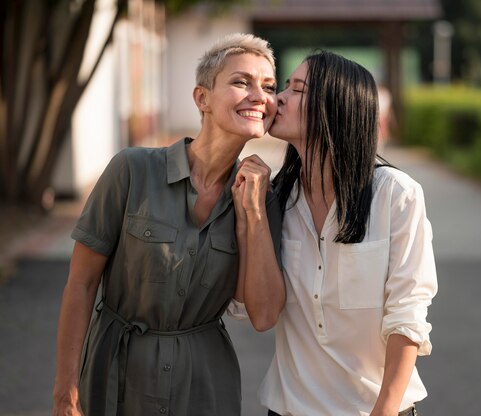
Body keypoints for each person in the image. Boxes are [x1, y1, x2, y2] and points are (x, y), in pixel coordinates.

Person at [52, 33, 284, 416]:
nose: (260, 95)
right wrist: (65, 393)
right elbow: (81, 283)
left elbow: (263, 315)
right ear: (202, 98)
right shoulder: (132, 170)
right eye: (241, 81)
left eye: (269, 86)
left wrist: (253, 216)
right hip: (116, 377)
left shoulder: (262, 196)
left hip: (204, 388)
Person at [239, 50, 438, 415]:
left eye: (296, 89)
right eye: (283, 86)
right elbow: (255, 312)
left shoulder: (396, 195)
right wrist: (250, 213)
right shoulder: (274, 200)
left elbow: (407, 316)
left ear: (336, 106)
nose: (277, 98)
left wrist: (385, 411)